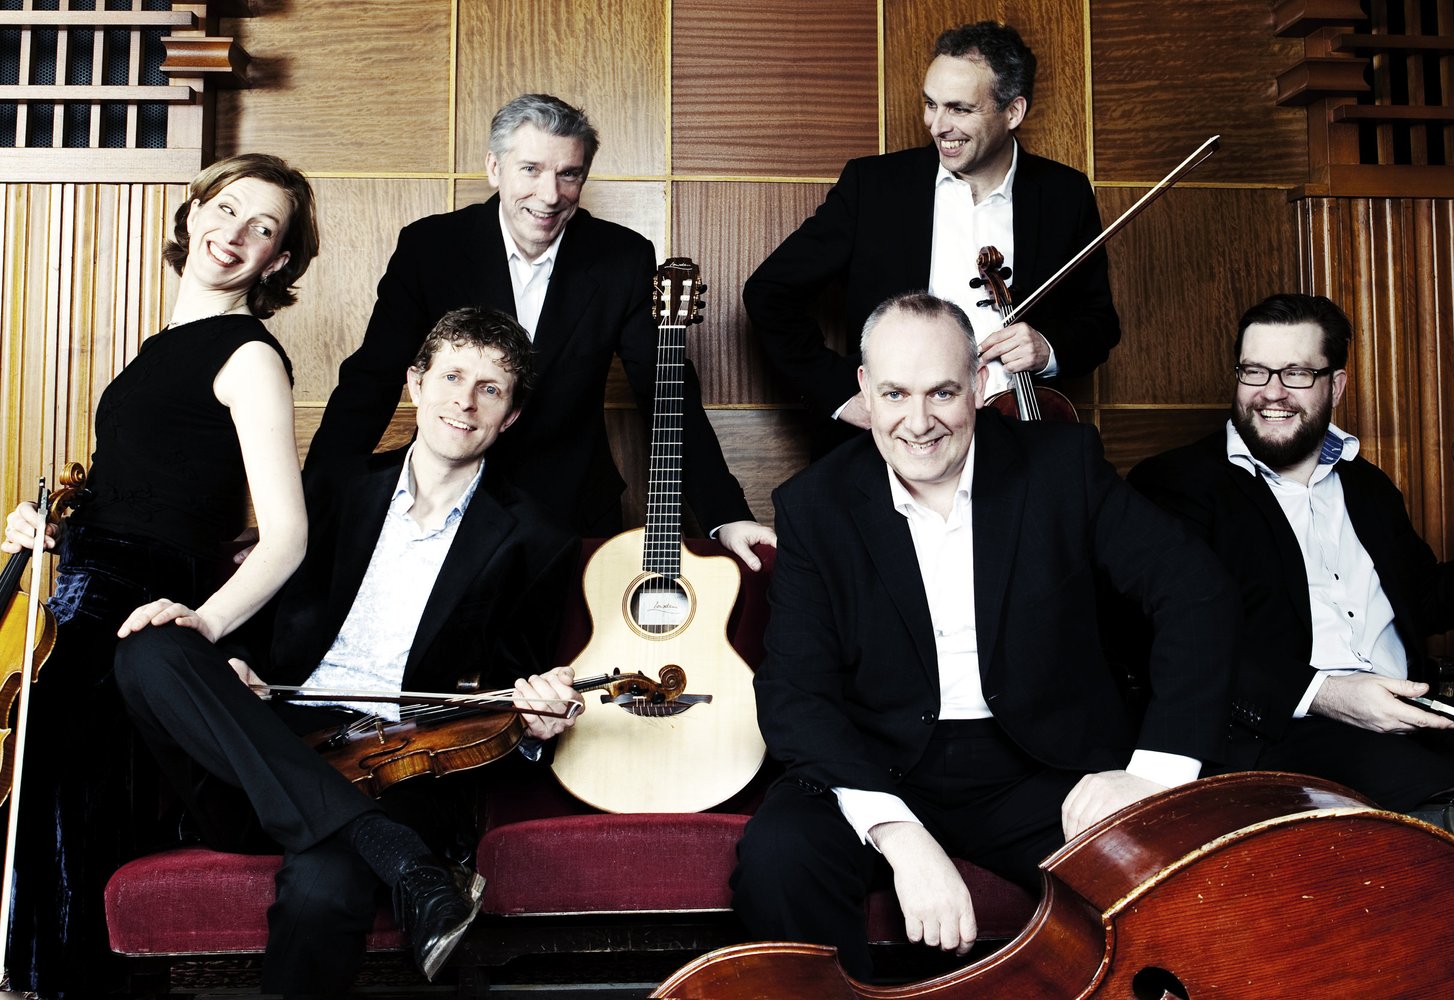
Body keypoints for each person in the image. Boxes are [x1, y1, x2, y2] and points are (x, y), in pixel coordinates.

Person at [731, 292, 1234, 981]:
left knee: (1169, 885)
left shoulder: (1060, 467)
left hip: (1043, 766)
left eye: (942, 392)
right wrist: (899, 833)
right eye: (895, 394)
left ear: (979, 383)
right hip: (879, 761)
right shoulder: (815, 504)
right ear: (865, 391)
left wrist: (1151, 775)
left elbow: (1197, 592)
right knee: (779, 859)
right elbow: (795, 691)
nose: (918, 422)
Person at [112, 306, 582, 998]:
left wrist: (538, 719)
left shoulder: (535, 539)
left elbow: (511, 687)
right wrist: (236, 660)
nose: (465, 401)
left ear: (509, 417)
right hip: (267, 742)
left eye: (490, 389)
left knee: (323, 887)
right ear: (415, 384)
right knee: (147, 647)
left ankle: (371, 838)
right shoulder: (333, 493)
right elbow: (263, 608)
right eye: (452, 377)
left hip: (398, 767)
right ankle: (400, 858)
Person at [0, 153, 317, 997]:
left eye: (263, 228)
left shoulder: (250, 356)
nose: (235, 233)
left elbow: (288, 536)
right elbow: (140, 491)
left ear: (278, 261)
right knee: (46, 812)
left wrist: (204, 624)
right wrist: (46, 525)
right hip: (83, 597)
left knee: (76, 823)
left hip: (131, 613)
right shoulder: (159, 349)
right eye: (227, 208)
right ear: (193, 212)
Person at [303, 93, 775, 567]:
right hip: (446, 505)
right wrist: (310, 510)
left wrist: (726, 514)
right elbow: (370, 380)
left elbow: (665, 389)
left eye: (568, 174)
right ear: (495, 168)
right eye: (530, 169)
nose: (550, 195)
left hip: (572, 511)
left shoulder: (623, 256)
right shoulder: (430, 246)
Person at [1128, 293, 1454, 856]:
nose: (1271, 392)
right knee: (1448, 807)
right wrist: (1325, 693)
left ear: (1336, 385)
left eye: (1297, 373)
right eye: (1255, 371)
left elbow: (1423, 598)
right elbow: (1167, 637)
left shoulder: (1367, 485)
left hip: (1411, 713)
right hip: (1285, 734)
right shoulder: (1176, 485)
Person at [743, 21, 1118, 449]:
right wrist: (840, 393)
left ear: (1013, 112)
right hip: (899, 441)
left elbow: (1098, 323)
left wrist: (1048, 349)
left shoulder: (1064, 194)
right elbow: (770, 292)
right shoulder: (874, 187)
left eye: (959, 109)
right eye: (930, 104)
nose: (937, 125)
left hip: (1020, 433)